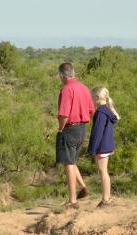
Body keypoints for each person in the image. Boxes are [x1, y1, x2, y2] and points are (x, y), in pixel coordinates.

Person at [56, 62, 94, 209]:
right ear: (72, 72)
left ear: (61, 75)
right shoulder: (84, 87)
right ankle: (83, 187)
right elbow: (91, 110)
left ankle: (72, 200)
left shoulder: (66, 89)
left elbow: (64, 114)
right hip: (82, 129)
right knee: (71, 160)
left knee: (68, 164)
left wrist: (60, 129)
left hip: (70, 129)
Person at [88, 86, 120, 208]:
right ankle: (106, 198)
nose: (91, 100)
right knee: (103, 171)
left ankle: (106, 199)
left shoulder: (101, 112)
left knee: (103, 171)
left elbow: (97, 132)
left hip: (102, 146)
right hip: (107, 145)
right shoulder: (107, 110)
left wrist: (92, 148)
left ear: (97, 97)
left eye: (92, 97)